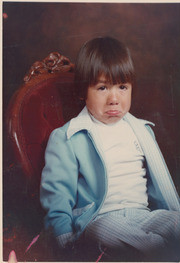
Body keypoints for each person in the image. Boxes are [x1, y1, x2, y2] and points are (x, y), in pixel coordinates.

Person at [40, 36, 180, 261]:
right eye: (103, 87)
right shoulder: (69, 136)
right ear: (82, 92)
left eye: (122, 87)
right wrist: (63, 236)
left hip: (144, 215)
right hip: (100, 219)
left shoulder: (141, 130)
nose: (114, 99)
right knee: (130, 238)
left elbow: (156, 189)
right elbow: (57, 194)